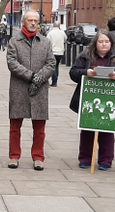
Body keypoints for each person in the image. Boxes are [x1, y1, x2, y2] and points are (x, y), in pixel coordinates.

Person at [7, 10, 55, 171]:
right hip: (19, 89)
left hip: (40, 90)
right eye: (30, 20)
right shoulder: (14, 41)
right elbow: (12, 63)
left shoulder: (46, 42)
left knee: (39, 128)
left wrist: (39, 78)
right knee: (15, 126)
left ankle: (38, 157)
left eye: (35, 20)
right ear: (23, 22)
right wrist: (31, 76)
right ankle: (14, 156)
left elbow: (51, 63)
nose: (33, 23)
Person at [69, 30, 115, 171]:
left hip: (109, 98)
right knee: (87, 128)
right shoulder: (85, 56)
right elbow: (73, 72)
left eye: (106, 42)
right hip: (88, 97)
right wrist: (86, 72)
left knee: (107, 130)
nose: (104, 44)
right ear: (95, 43)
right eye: (101, 41)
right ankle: (85, 159)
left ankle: (106, 160)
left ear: (111, 44)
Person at [47, 21, 67, 87]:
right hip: (60, 52)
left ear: (53, 26)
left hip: (53, 52)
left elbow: (47, 41)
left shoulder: (50, 33)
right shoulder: (62, 33)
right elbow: (65, 39)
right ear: (59, 26)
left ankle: (54, 81)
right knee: (56, 66)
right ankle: (55, 80)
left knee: (53, 67)